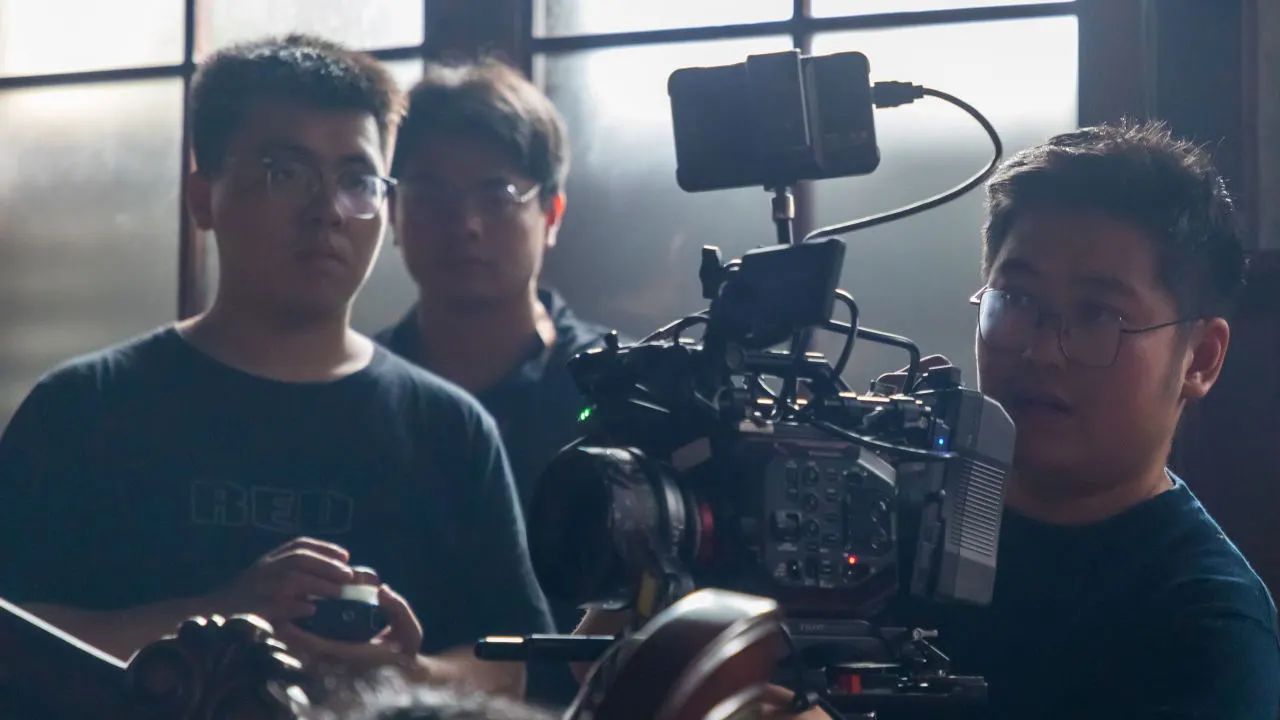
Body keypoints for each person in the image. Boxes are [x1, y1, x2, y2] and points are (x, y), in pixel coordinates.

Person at [579, 122, 1280, 719]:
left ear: (1200, 359)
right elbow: (617, 670)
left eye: (1098, 314)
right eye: (1017, 300)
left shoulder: (1206, 623)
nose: (1040, 349)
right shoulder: (875, 510)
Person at [0, 34, 551, 698]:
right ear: (202, 197)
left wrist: (409, 676)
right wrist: (220, 617)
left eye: (356, 181)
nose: (327, 211)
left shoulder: (449, 428)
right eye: (284, 172)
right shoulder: (84, 408)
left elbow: (523, 662)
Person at [374, 58, 611, 706]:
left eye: (498, 195)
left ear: (552, 213)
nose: (466, 226)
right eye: (431, 196)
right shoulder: (356, 390)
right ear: (393, 212)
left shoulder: (618, 394)